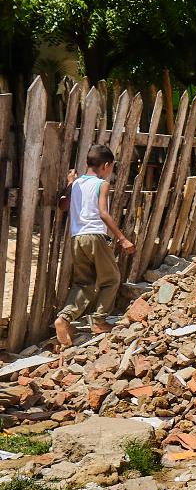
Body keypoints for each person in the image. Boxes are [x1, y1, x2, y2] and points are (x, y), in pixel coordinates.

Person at [54, 145, 135, 347]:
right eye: (111, 167)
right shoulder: (102, 184)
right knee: (111, 278)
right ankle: (98, 321)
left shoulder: (76, 184)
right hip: (95, 236)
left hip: (77, 238)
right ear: (106, 165)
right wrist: (122, 238)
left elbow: (62, 205)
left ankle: (64, 318)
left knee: (83, 283)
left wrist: (70, 183)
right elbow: (103, 214)